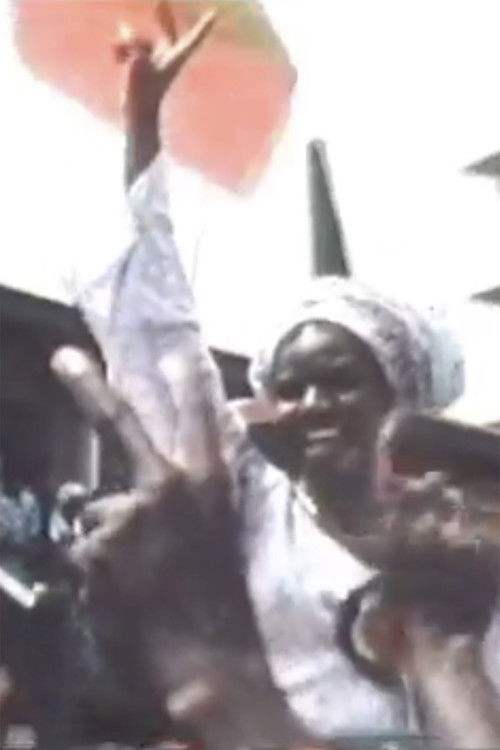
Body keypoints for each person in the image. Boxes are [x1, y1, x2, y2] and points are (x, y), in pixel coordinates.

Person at [70, 3, 500, 746]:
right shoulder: (249, 506)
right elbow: (161, 347)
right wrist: (143, 135)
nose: (313, 404)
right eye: (292, 387)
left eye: (339, 380)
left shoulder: (452, 524)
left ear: (396, 392)